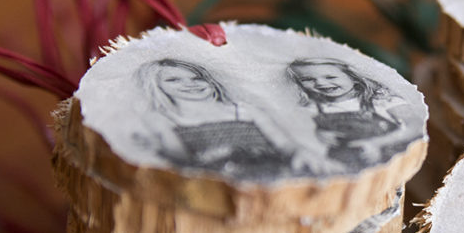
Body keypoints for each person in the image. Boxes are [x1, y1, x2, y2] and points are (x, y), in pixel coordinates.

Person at [136, 58, 329, 178]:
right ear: (157, 87)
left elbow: (285, 145)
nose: (190, 84)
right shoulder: (163, 119)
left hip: (273, 172)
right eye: (173, 80)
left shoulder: (244, 111)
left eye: (197, 78)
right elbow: (181, 159)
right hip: (217, 181)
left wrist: (300, 152)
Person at [286, 57, 421, 170]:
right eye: (307, 79)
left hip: (390, 161)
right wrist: (317, 134)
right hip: (342, 163)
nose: (320, 83)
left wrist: (378, 143)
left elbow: (415, 125)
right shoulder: (313, 106)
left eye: (330, 77)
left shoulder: (380, 99)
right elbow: (299, 131)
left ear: (353, 77)